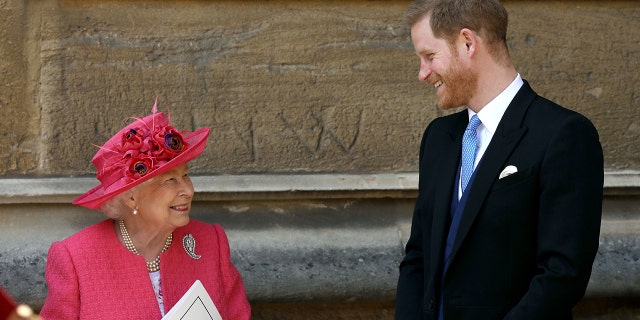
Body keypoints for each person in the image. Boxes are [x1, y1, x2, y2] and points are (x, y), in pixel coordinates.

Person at [395, 1, 604, 319]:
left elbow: (562, 275)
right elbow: (419, 257)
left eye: (429, 56)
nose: (422, 74)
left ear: (467, 43)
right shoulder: (439, 138)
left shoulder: (564, 135)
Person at [40, 99, 251, 319]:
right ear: (131, 197)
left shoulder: (210, 242)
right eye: (170, 180)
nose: (188, 190)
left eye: (186, 175)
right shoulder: (75, 258)